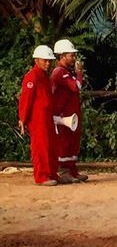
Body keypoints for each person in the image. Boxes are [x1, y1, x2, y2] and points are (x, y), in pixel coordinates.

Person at [17, 45, 58, 186]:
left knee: (50, 145)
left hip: (47, 117)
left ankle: (51, 173)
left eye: (49, 61)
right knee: (40, 146)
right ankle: (42, 176)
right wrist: (23, 118)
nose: (48, 63)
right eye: (45, 60)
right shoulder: (32, 77)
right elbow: (25, 99)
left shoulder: (45, 77)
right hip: (37, 118)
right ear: (37, 60)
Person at [50, 38, 86, 182]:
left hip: (71, 112)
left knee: (72, 142)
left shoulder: (66, 72)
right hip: (64, 114)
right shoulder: (60, 72)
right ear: (62, 56)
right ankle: (65, 172)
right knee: (65, 143)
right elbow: (75, 87)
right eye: (71, 55)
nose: (74, 57)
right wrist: (79, 73)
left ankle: (72, 170)